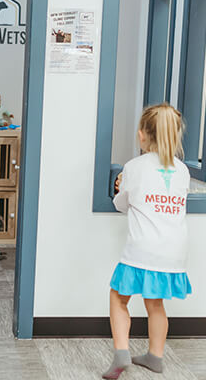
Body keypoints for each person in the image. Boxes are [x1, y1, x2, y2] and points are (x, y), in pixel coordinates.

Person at [102, 103, 191, 379]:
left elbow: (122, 204)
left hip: (142, 249)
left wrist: (120, 185)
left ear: (142, 135)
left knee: (118, 298)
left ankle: (121, 353)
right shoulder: (183, 170)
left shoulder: (134, 167)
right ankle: (155, 356)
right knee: (156, 304)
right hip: (172, 252)